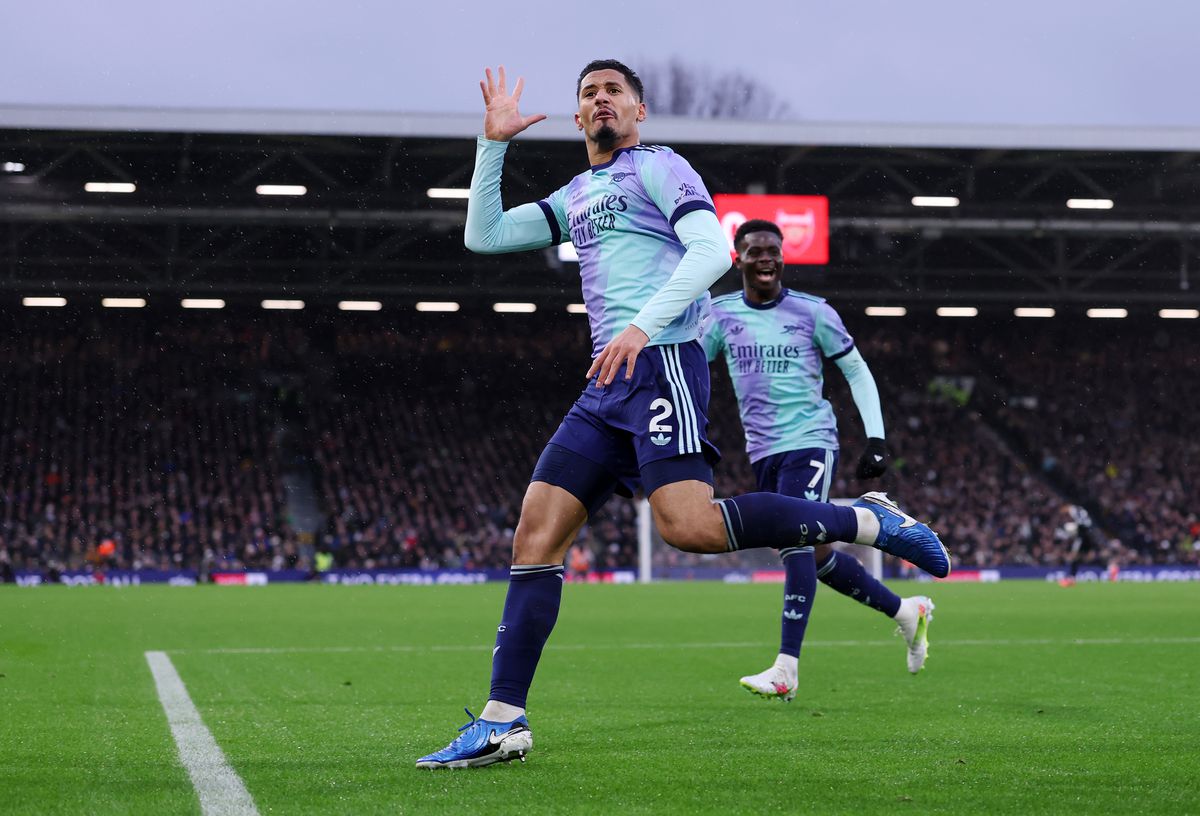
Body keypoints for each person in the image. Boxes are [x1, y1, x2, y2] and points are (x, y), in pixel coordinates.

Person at [415, 60, 950, 770]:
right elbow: (483, 236)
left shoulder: (659, 167)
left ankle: (864, 520)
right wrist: (493, 146)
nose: (600, 100)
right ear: (577, 117)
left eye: (614, 91)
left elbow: (709, 252)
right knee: (535, 534)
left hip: (662, 359)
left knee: (688, 528)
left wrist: (642, 327)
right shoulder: (576, 193)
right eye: (588, 93)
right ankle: (502, 721)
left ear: (639, 111)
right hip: (606, 380)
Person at [702, 219, 935, 702]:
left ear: (783, 257)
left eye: (773, 250)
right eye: (755, 251)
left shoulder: (813, 311)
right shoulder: (720, 314)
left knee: (796, 543)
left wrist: (876, 438)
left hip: (810, 442)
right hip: (762, 451)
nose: (766, 258)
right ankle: (906, 612)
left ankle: (786, 667)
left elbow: (856, 369)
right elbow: (691, 372)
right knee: (818, 554)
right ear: (738, 259)